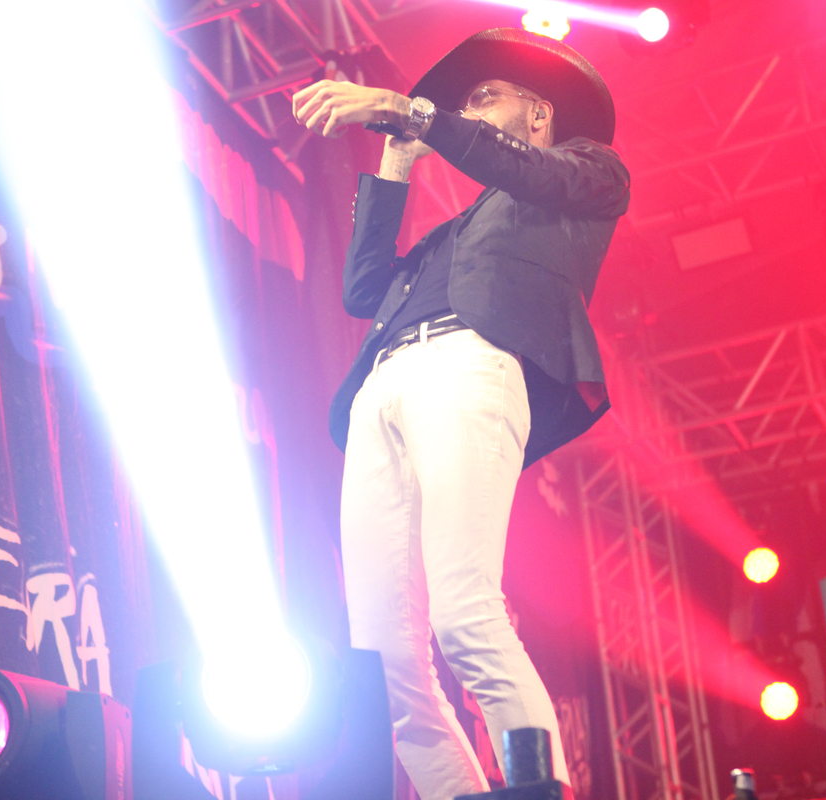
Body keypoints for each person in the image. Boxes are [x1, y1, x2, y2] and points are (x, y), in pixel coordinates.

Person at [293, 28, 630, 800]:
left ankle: (540, 789)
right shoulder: (452, 235)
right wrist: (397, 160)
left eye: (484, 97)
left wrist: (409, 109)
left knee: (464, 613)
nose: (468, 111)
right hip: (383, 387)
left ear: (538, 115)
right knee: (382, 659)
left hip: (469, 366)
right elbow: (363, 289)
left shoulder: (589, 174)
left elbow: (514, 166)